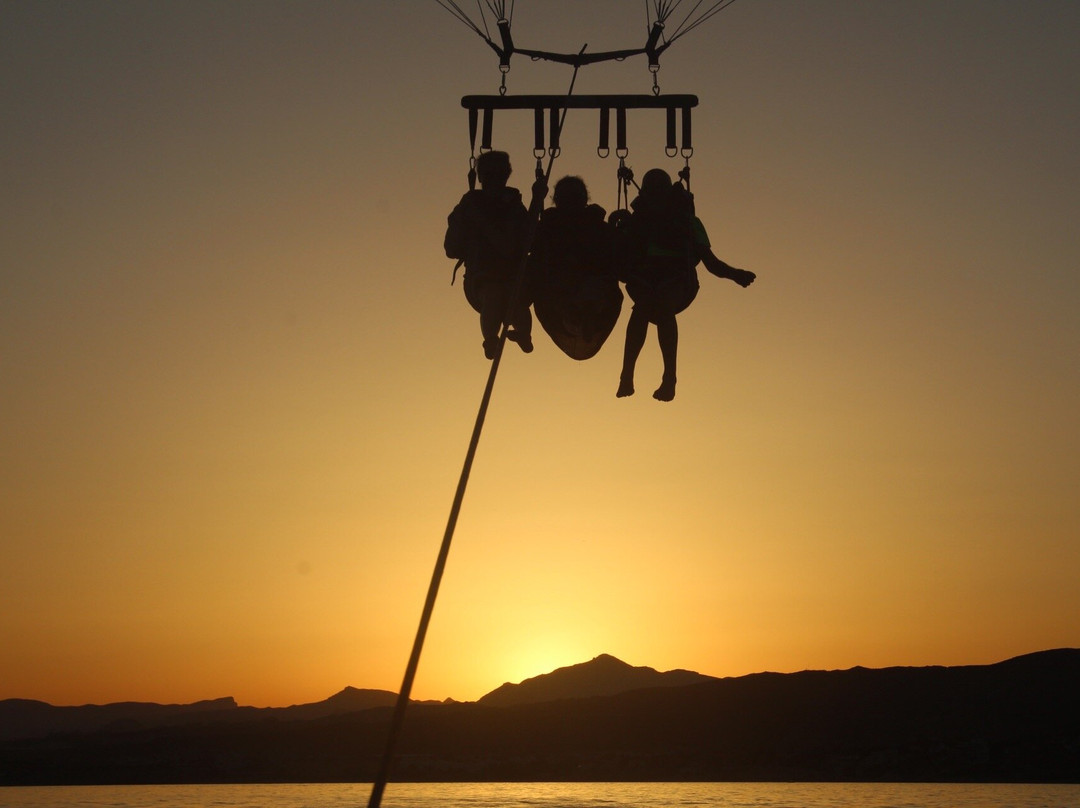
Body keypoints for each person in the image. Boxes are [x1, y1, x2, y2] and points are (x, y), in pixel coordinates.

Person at [612, 168, 755, 401]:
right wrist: (615, 228)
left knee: (659, 304)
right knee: (645, 307)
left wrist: (735, 275)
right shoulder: (636, 222)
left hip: (678, 281)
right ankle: (627, 374)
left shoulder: (686, 222)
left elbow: (710, 262)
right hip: (645, 281)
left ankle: (669, 378)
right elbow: (617, 258)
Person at [444, 150, 540, 359]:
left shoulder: (514, 206)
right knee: (495, 295)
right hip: (482, 279)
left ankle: (523, 334)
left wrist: (537, 201)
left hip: (515, 277)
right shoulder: (469, 206)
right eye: (491, 175)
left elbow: (530, 238)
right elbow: (451, 248)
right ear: (481, 177)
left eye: (499, 175)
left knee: (515, 301)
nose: (496, 180)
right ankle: (491, 339)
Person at [528, 176, 623, 360]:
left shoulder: (594, 226)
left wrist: (616, 228)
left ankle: (581, 316)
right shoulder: (548, 227)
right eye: (567, 198)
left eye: (574, 197)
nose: (571, 203)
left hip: (584, 287)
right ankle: (579, 316)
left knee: (584, 292)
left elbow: (615, 256)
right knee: (570, 294)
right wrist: (536, 199)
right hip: (566, 289)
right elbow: (528, 244)